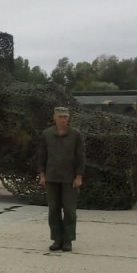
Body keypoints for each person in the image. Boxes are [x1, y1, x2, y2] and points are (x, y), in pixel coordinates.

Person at [36, 106, 85, 252]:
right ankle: (57, 239)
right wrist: (42, 174)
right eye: (60, 117)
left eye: (65, 117)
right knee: (54, 210)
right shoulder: (47, 134)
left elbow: (80, 156)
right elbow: (42, 156)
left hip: (69, 179)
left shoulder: (75, 134)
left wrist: (79, 176)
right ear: (54, 118)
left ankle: (68, 240)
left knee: (70, 211)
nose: (63, 119)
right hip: (52, 177)